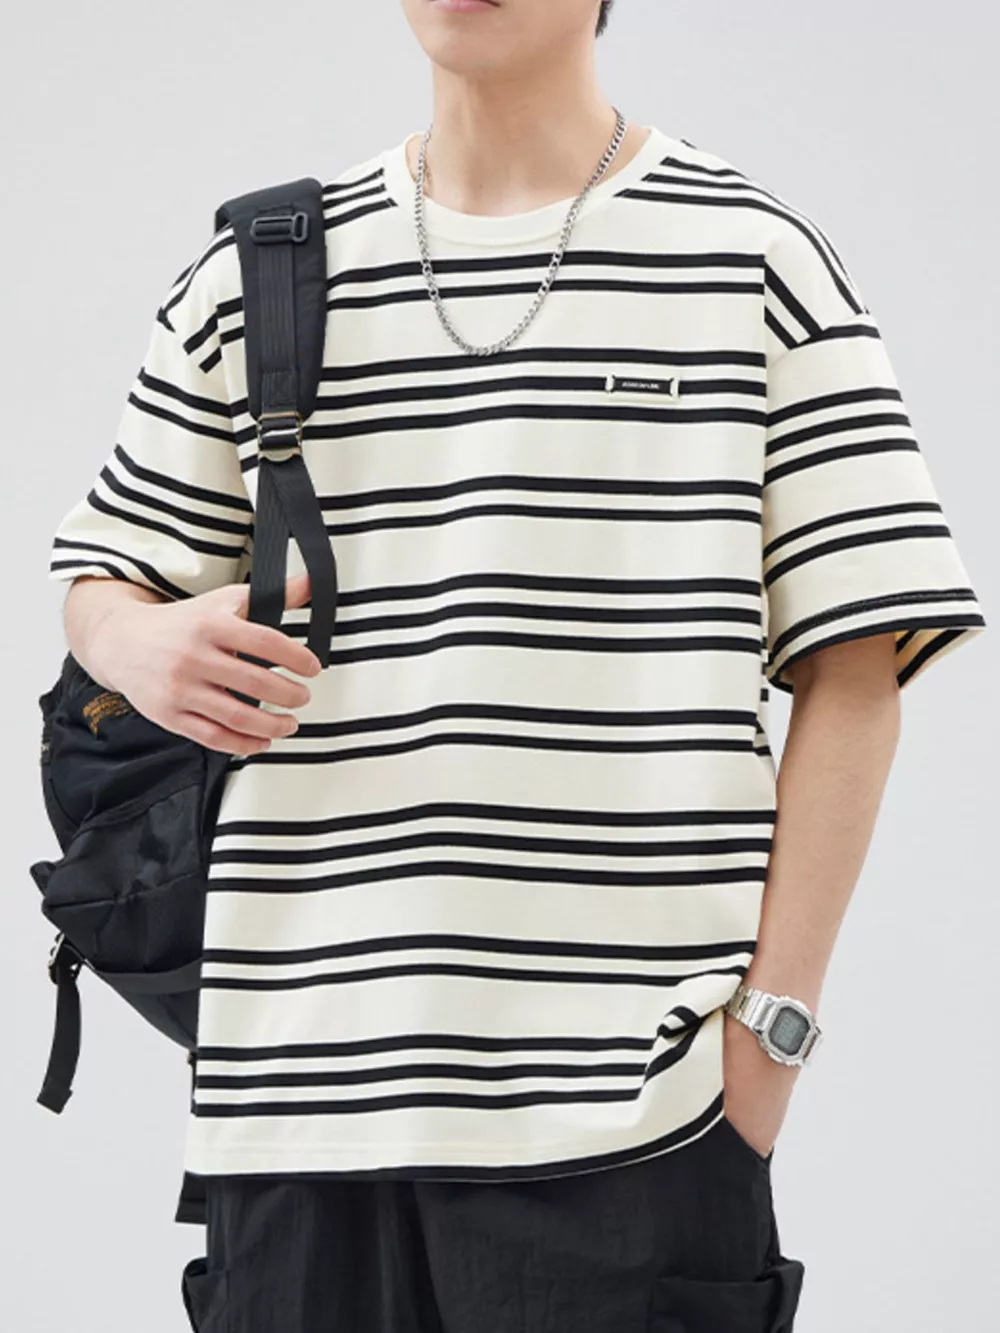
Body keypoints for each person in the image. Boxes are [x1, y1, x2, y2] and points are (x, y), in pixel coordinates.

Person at [47, 1, 986, 1330]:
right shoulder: (261, 270)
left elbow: (858, 667)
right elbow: (105, 581)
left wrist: (769, 1038)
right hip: (296, 1115)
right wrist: (131, 637)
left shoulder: (751, 261)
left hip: (636, 1117)